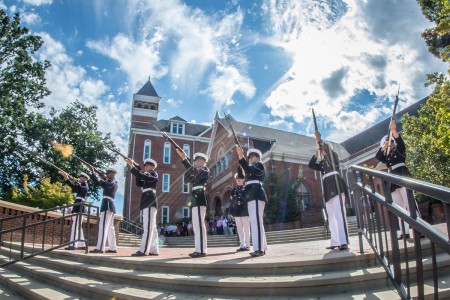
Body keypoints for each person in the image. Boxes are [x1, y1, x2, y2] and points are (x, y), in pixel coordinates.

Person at [375, 120, 421, 239]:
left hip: (403, 176)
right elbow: (378, 157)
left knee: (410, 204)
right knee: (399, 207)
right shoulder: (387, 157)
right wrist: (384, 147)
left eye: (390, 142)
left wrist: (394, 131)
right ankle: (404, 232)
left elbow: (400, 143)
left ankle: (419, 229)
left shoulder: (399, 151)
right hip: (393, 180)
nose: (390, 144)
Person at [308, 132, 349, 251]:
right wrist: (316, 154)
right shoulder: (321, 164)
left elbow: (328, 150)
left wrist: (319, 140)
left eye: (322, 148)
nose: (321, 150)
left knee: (339, 215)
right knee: (331, 217)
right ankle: (335, 241)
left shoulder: (333, 157)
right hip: (327, 189)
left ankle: (343, 241)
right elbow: (311, 165)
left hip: (336, 186)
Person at [176, 149, 209, 258]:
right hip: (195, 197)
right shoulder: (194, 170)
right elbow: (187, 178)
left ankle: (201, 250)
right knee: (196, 225)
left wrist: (184, 159)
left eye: (200, 161)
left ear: (204, 162)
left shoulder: (205, 171)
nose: (198, 163)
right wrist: (188, 166)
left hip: (200, 197)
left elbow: (195, 174)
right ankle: (198, 249)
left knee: (199, 224)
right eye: (196, 161)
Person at [236, 146, 267, 257]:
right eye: (250, 157)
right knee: (256, 222)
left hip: (257, 193)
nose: (252, 158)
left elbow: (250, 170)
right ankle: (262, 246)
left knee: (256, 222)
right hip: (251, 195)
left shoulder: (259, 165)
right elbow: (241, 173)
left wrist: (242, 158)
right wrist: (241, 159)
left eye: (254, 156)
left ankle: (259, 249)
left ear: (258, 158)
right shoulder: (250, 168)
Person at [126, 158, 160, 256]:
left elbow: (144, 176)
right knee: (152, 227)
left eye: (147, 165)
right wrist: (138, 170)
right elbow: (138, 183)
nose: (145, 167)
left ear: (152, 166)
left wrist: (132, 167)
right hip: (146, 201)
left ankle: (144, 250)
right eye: (144, 165)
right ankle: (153, 249)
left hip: (150, 201)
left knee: (148, 227)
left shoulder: (153, 174)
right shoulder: (146, 175)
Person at [89, 167, 118, 254]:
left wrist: (94, 173)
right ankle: (113, 247)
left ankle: (100, 248)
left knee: (103, 227)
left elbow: (102, 184)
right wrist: (96, 175)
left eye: (108, 174)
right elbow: (100, 183)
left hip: (107, 205)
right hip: (110, 205)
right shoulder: (111, 181)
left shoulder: (112, 182)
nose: (107, 175)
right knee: (110, 228)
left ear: (111, 174)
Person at [60, 171, 89, 250]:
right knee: (78, 226)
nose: (80, 178)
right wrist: (66, 178)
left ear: (85, 179)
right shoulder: (80, 185)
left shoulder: (85, 185)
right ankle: (82, 244)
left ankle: (73, 245)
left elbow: (82, 188)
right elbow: (73, 187)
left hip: (80, 206)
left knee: (75, 226)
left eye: (81, 177)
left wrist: (76, 181)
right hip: (77, 206)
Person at [229, 169, 251, 251]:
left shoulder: (246, 189)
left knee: (246, 229)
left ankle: (248, 245)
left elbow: (248, 200)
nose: (238, 180)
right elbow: (231, 202)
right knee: (239, 230)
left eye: (240, 178)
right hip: (237, 212)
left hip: (245, 211)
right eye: (237, 179)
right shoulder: (233, 190)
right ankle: (242, 245)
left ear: (243, 180)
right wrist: (231, 212)